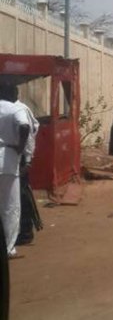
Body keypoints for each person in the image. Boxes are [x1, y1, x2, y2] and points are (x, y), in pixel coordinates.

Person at [0, 83, 30, 258]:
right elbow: (24, 126)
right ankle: (9, 248)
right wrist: (20, 147)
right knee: (10, 207)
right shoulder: (14, 109)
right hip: (8, 161)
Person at [10, 88, 41, 246]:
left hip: (19, 157)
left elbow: (29, 132)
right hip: (11, 158)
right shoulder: (7, 109)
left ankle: (25, 231)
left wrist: (27, 159)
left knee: (21, 196)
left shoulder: (21, 110)